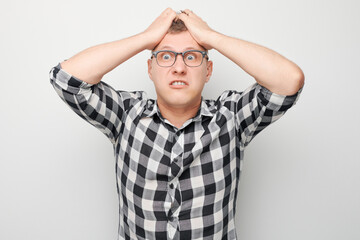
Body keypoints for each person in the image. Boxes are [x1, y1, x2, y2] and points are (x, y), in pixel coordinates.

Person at [49, 8, 304, 240]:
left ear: (208, 70)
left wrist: (211, 37)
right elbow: (66, 79)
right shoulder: (126, 116)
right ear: (150, 69)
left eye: (192, 57)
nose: (179, 67)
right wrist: (146, 38)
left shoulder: (231, 118)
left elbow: (289, 81)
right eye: (166, 56)